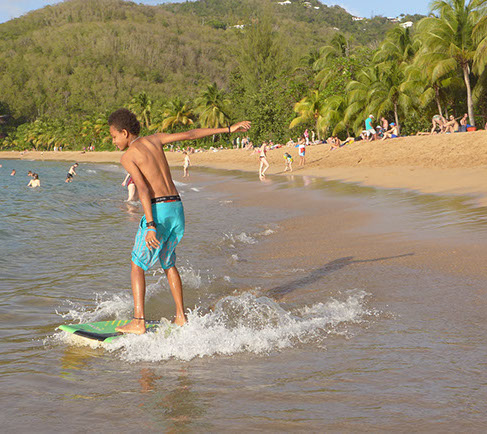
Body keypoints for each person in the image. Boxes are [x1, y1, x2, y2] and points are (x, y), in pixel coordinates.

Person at [108, 108, 251, 334]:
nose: (113, 141)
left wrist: (151, 225)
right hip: (177, 207)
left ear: (125, 133)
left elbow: (143, 189)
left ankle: (138, 320)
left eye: (114, 136)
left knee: (137, 265)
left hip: (159, 210)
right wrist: (228, 128)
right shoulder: (155, 140)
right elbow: (190, 134)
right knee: (167, 261)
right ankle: (181, 316)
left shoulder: (128, 156)